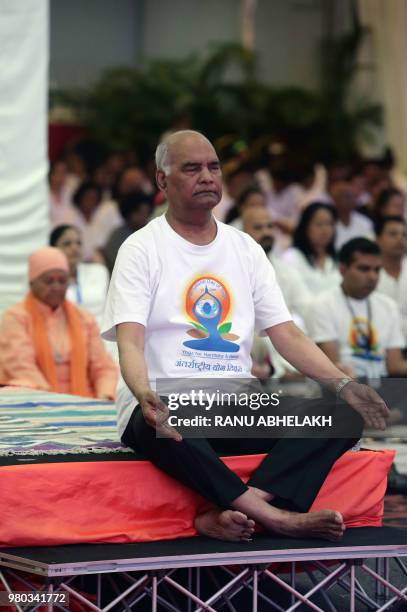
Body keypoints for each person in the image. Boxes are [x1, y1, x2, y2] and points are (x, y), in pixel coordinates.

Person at [102, 130, 388, 543]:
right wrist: (143, 391)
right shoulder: (141, 248)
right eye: (191, 168)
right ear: (162, 181)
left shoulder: (245, 248)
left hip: (233, 405)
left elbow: (286, 334)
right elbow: (130, 340)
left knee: (341, 415)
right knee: (167, 426)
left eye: (213, 167)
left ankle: (233, 509)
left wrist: (343, 385)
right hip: (164, 405)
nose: (206, 176)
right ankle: (276, 517)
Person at [0, 247, 118, 398]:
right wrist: (54, 401)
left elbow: (103, 367)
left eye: (62, 281)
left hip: (84, 405)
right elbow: (20, 366)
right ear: (32, 283)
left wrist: (105, 394)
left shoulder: (84, 319)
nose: (56, 287)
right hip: (35, 401)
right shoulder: (16, 317)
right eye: (49, 281)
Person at [305, 238, 407, 379]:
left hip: (385, 386)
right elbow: (332, 365)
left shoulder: (388, 306)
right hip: (343, 387)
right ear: (342, 269)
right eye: (364, 269)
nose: (373, 276)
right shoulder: (322, 304)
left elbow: (394, 365)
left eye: (377, 270)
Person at [50, 224, 110, 326]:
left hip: (100, 334)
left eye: (78, 243)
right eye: (67, 244)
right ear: (53, 249)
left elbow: (111, 309)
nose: (75, 248)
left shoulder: (99, 271)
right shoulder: (47, 280)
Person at [280, 202, 341, 294]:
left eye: (329, 224)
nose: (325, 230)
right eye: (319, 224)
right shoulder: (291, 258)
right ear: (305, 227)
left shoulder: (338, 259)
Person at [102, 191, 153, 273]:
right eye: (139, 212)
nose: (143, 217)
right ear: (129, 212)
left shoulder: (151, 233)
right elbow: (117, 262)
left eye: (146, 213)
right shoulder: (118, 235)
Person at [376, 216, 407, 343]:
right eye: (393, 234)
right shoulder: (368, 271)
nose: (400, 239)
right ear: (378, 239)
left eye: (404, 234)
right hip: (380, 341)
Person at [331, 181, 374, 250]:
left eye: (352, 196)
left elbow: (370, 246)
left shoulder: (365, 222)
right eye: (346, 196)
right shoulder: (329, 222)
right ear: (334, 199)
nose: (350, 200)